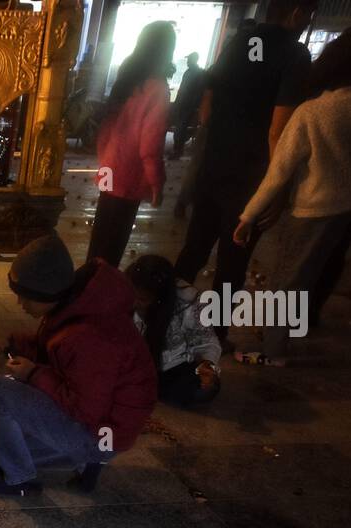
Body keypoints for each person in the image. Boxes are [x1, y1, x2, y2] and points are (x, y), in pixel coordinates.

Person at [233, 26, 351, 365]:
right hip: (349, 208)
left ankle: (273, 352)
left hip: (312, 208)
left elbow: (280, 170)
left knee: (286, 280)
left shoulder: (311, 112)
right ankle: (286, 339)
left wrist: (249, 215)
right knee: (309, 275)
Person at [174, 0, 317, 347]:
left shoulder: (239, 42)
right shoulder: (295, 56)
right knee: (233, 260)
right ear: (297, 13)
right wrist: (276, 187)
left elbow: (208, 104)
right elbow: (277, 129)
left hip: (215, 163)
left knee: (194, 248)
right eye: (309, 15)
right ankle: (215, 336)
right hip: (250, 174)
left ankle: (165, 319)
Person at [0, 235, 157, 495]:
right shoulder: (77, 302)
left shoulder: (90, 337)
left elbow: (85, 410)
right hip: (103, 425)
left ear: (47, 294)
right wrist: (5, 344)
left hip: (100, 433)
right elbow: (50, 347)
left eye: (25, 297)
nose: (20, 304)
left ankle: (20, 480)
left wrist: (34, 374)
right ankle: (87, 462)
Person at [87, 21, 174, 268]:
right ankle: (99, 296)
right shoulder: (157, 88)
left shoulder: (127, 78)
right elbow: (151, 143)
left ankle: (87, 287)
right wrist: (157, 183)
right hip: (129, 175)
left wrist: (105, 159)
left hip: (109, 166)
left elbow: (106, 126)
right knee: (112, 245)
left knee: (99, 239)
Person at [124, 255, 221, 408]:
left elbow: (205, 340)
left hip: (173, 366)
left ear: (159, 298)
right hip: (131, 365)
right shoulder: (121, 291)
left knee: (206, 390)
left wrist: (207, 365)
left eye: (142, 299)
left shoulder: (188, 301)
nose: (135, 303)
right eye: (132, 296)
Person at [170, 52, 205, 159]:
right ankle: (177, 150)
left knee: (180, 129)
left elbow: (198, 92)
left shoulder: (198, 73)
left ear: (194, 60)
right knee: (179, 129)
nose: (188, 61)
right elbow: (182, 90)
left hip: (187, 106)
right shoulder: (189, 72)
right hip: (183, 104)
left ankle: (177, 152)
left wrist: (193, 106)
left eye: (189, 59)